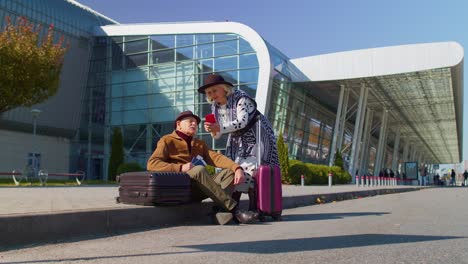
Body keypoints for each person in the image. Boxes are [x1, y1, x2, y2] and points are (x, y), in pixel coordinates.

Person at [147, 110, 258, 225]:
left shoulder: (199, 143)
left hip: (202, 187)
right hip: (182, 187)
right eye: (190, 121)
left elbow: (216, 158)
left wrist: (237, 168)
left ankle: (219, 210)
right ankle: (234, 210)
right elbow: (152, 163)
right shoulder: (167, 140)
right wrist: (180, 168)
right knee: (198, 169)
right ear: (178, 124)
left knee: (228, 173)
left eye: (195, 123)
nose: (194, 124)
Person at [198, 74, 279, 209]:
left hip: (257, 135)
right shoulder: (215, 107)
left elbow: (242, 122)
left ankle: (254, 206)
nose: (212, 94)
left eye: (214, 90)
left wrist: (220, 127)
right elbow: (217, 135)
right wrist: (212, 130)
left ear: (224, 89)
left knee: (251, 169)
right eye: (209, 92)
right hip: (237, 139)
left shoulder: (241, 99)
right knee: (234, 168)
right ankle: (234, 206)